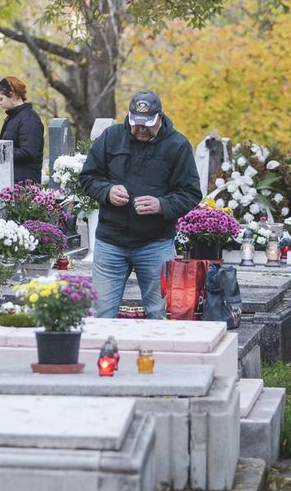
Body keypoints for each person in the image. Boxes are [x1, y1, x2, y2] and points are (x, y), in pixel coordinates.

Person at [79, 90, 202, 319]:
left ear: (160, 117)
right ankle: (105, 355)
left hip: (155, 244)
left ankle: (156, 355)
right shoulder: (111, 136)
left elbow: (191, 193)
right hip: (110, 242)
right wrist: (107, 191)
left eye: (148, 125)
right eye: (136, 124)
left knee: (160, 312)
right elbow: (88, 177)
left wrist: (162, 205)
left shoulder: (178, 145)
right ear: (129, 116)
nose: (141, 130)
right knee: (102, 312)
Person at [0, 77, 44, 184]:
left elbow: (28, 152)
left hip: (25, 184)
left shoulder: (29, 118)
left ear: (12, 95)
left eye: (0, 99)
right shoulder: (13, 117)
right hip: (13, 180)